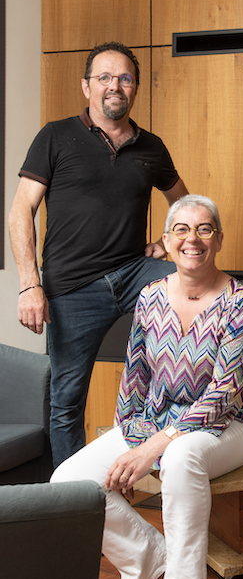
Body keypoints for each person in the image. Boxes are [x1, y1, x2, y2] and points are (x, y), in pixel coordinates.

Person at [51, 194, 243, 579]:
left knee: (181, 459)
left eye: (204, 229)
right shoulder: (150, 296)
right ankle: (146, 560)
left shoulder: (242, 303)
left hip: (228, 425)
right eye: (181, 229)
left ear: (219, 240)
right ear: (167, 241)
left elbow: (225, 394)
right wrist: (132, 439)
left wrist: (154, 448)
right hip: (157, 422)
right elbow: (134, 377)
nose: (193, 239)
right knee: (69, 481)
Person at [9, 41, 188, 467]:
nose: (115, 86)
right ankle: (72, 494)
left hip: (133, 271)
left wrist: (166, 241)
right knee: (66, 401)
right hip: (72, 289)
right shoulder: (55, 136)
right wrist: (30, 285)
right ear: (86, 86)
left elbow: (186, 204)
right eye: (104, 77)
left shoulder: (151, 147)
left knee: (193, 281)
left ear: (135, 88)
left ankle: (182, 447)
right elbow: (20, 211)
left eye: (124, 78)